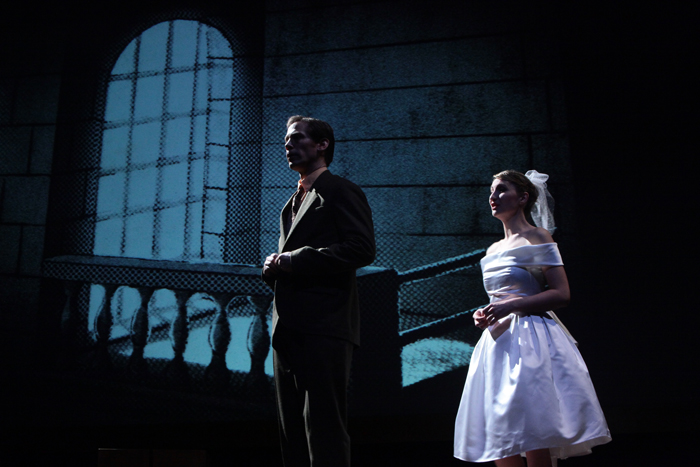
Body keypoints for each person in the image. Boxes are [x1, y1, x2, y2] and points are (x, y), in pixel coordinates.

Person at [454, 170, 611, 467]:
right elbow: (499, 298)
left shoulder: (536, 237)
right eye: (491, 191)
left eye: (502, 190)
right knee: (502, 438)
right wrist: (485, 313)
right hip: (498, 344)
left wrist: (513, 305)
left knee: (533, 431)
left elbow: (562, 293)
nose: (493, 197)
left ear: (523, 197)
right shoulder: (493, 249)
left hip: (530, 341)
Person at [262, 116, 376, 467]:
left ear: (322, 144)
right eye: (286, 140)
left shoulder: (340, 190)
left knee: (324, 430)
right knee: (292, 433)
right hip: (288, 329)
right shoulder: (292, 201)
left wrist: (293, 260)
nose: (288, 144)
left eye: (297, 138)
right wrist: (274, 267)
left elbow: (361, 248)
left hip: (325, 327)